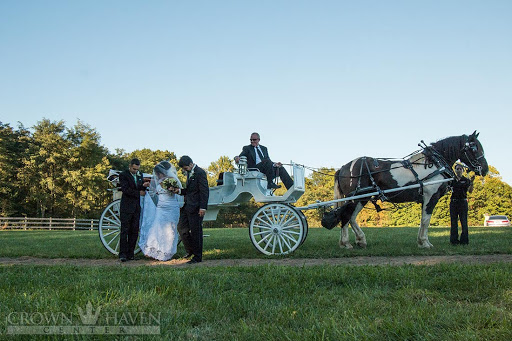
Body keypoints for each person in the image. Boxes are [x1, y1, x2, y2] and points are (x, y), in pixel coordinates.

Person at [138, 161, 183, 261]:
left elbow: (178, 191)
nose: (158, 175)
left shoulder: (172, 180)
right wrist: (148, 186)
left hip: (171, 207)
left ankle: (167, 252)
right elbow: (155, 191)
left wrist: (172, 188)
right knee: (157, 227)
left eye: (159, 173)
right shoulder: (158, 181)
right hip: (160, 208)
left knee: (169, 230)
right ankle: (154, 250)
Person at [173, 156, 209, 264]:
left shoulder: (200, 172)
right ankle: (190, 251)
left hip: (197, 207)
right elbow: (190, 191)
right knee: (181, 228)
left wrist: (203, 207)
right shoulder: (190, 173)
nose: (184, 170)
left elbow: (204, 191)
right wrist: (178, 191)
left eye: (185, 168)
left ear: (190, 164)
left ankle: (197, 257)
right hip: (187, 206)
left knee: (196, 232)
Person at [118, 158, 150, 262]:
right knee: (124, 231)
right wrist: (138, 193)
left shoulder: (140, 175)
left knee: (134, 231)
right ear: (130, 166)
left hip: (136, 207)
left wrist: (144, 186)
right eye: (134, 169)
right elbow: (125, 189)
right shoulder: (123, 175)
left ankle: (131, 254)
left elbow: (138, 187)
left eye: (137, 169)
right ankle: (122, 254)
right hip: (126, 206)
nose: (135, 171)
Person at [450, 163, 475, 245]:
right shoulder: (452, 180)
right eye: (457, 169)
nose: (459, 170)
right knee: (453, 222)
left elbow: (470, 191)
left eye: (460, 169)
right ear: (455, 170)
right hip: (453, 202)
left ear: (463, 170)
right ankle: (454, 241)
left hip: (463, 202)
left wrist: (471, 182)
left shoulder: (466, 180)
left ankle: (464, 241)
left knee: (463, 221)